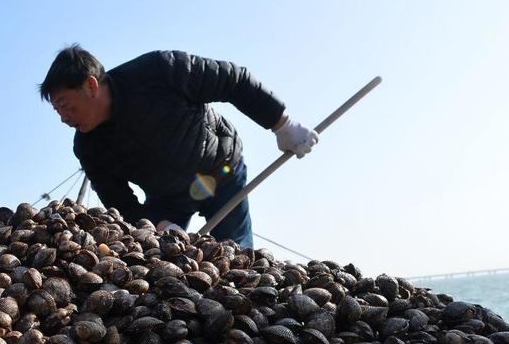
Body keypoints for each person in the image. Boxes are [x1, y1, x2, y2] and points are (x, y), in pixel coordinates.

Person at [39, 46, 318, 249]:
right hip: (168, 200)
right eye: (57, 111)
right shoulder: (88, 147)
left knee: (238, 260)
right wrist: (158, 225)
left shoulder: (160, 71)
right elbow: (120, 203)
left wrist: (281, 124)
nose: (64, 118)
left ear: (91, 86)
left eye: (65, 105)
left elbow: (233, 80)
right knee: (156, 265)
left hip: (221, 171)